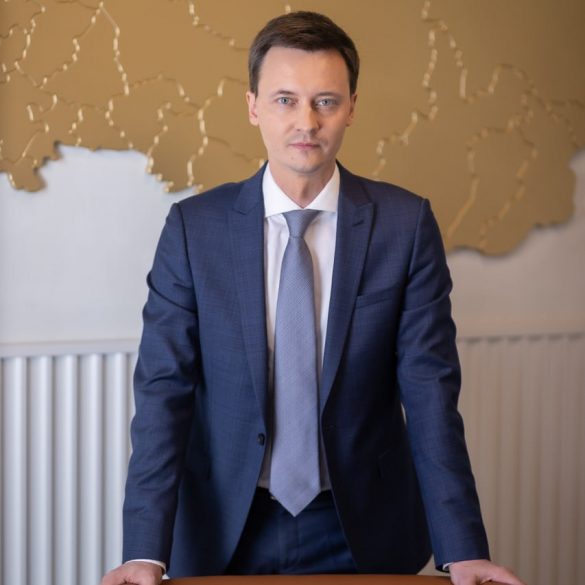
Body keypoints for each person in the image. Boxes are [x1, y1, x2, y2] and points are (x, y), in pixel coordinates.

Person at [102, 11, 525, 585]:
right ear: (253, 106)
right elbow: (162, 394)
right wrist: (143, 551)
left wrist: (464, 548)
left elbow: (430, 395)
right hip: (223, 524)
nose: (306, 121)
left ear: (351, 107)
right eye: (285, 100)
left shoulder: (405, 226)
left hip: (362, 525)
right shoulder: (193, 229)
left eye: (326, 101)